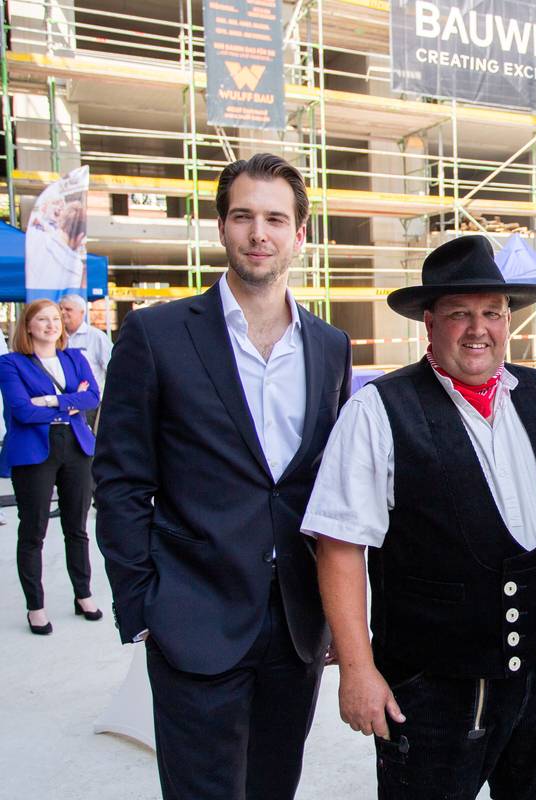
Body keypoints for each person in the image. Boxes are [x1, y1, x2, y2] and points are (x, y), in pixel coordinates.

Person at [303, 236, 536, 800]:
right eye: (459, 314)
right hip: (431, 688)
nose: (478, 328)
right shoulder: (378, 410)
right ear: (429, 322)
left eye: (492, 312)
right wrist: (357, 668)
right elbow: (340, 545)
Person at [94, 154, 352, 800]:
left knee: (274, 788)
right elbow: (121, 479)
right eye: (242, 216)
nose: (258, 233)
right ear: (221, 228)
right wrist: (143, 605)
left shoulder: (329, 346)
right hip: (192, 618)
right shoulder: (156, 335)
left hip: (295, 626)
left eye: (274, 218)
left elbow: (330, 486)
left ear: (300, 234)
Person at [0, 299, 100, 635]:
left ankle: (83, 595)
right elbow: (22, 411)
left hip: (76, 448)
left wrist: (52, 401)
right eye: (42, 319)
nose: (51, 325)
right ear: (27, 326)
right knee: (33, 531)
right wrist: (70, 404)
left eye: (56, 319)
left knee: (77, 528)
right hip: (33, 452)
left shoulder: (75, 357)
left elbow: (93, 398)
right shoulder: (11, 364)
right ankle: (35, 606)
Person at [59, 293, 113, 431]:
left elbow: (113, 369)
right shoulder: (56, 337)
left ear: (82, 312)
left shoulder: (96, 337)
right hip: (61, 403)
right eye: (61, 309)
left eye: (68, 309)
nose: (63, 312)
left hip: (88, 405)